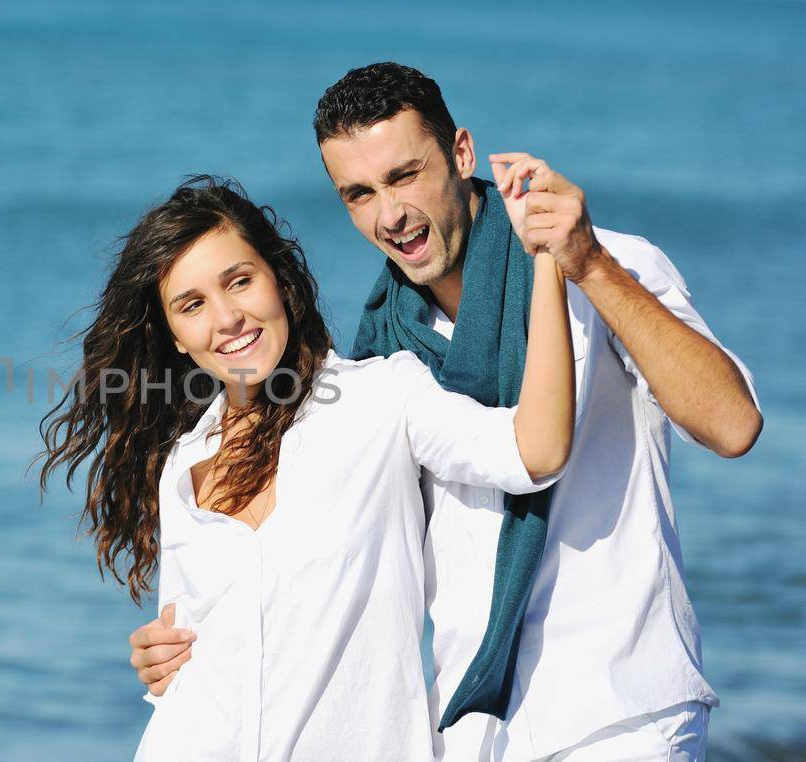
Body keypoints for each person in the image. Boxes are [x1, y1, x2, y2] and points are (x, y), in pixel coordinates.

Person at [129, 64, 764, 761]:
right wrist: (186, 648)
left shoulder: (606, 266)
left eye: (405, 176)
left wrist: (583, 264)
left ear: (461, 154)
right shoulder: (380, 354)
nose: (388, 214)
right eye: (359, 194)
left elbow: (731, 425)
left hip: (616, 707)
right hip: (472, 728)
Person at [40, 175, 577, 760]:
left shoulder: (382, 397)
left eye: (239, 282)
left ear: (278, 278)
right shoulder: (183, 467)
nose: (227, 319)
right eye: (192, 305)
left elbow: (537, 451)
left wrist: (547, 262)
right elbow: (180, 652)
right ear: (173, 336)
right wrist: (156, 657)